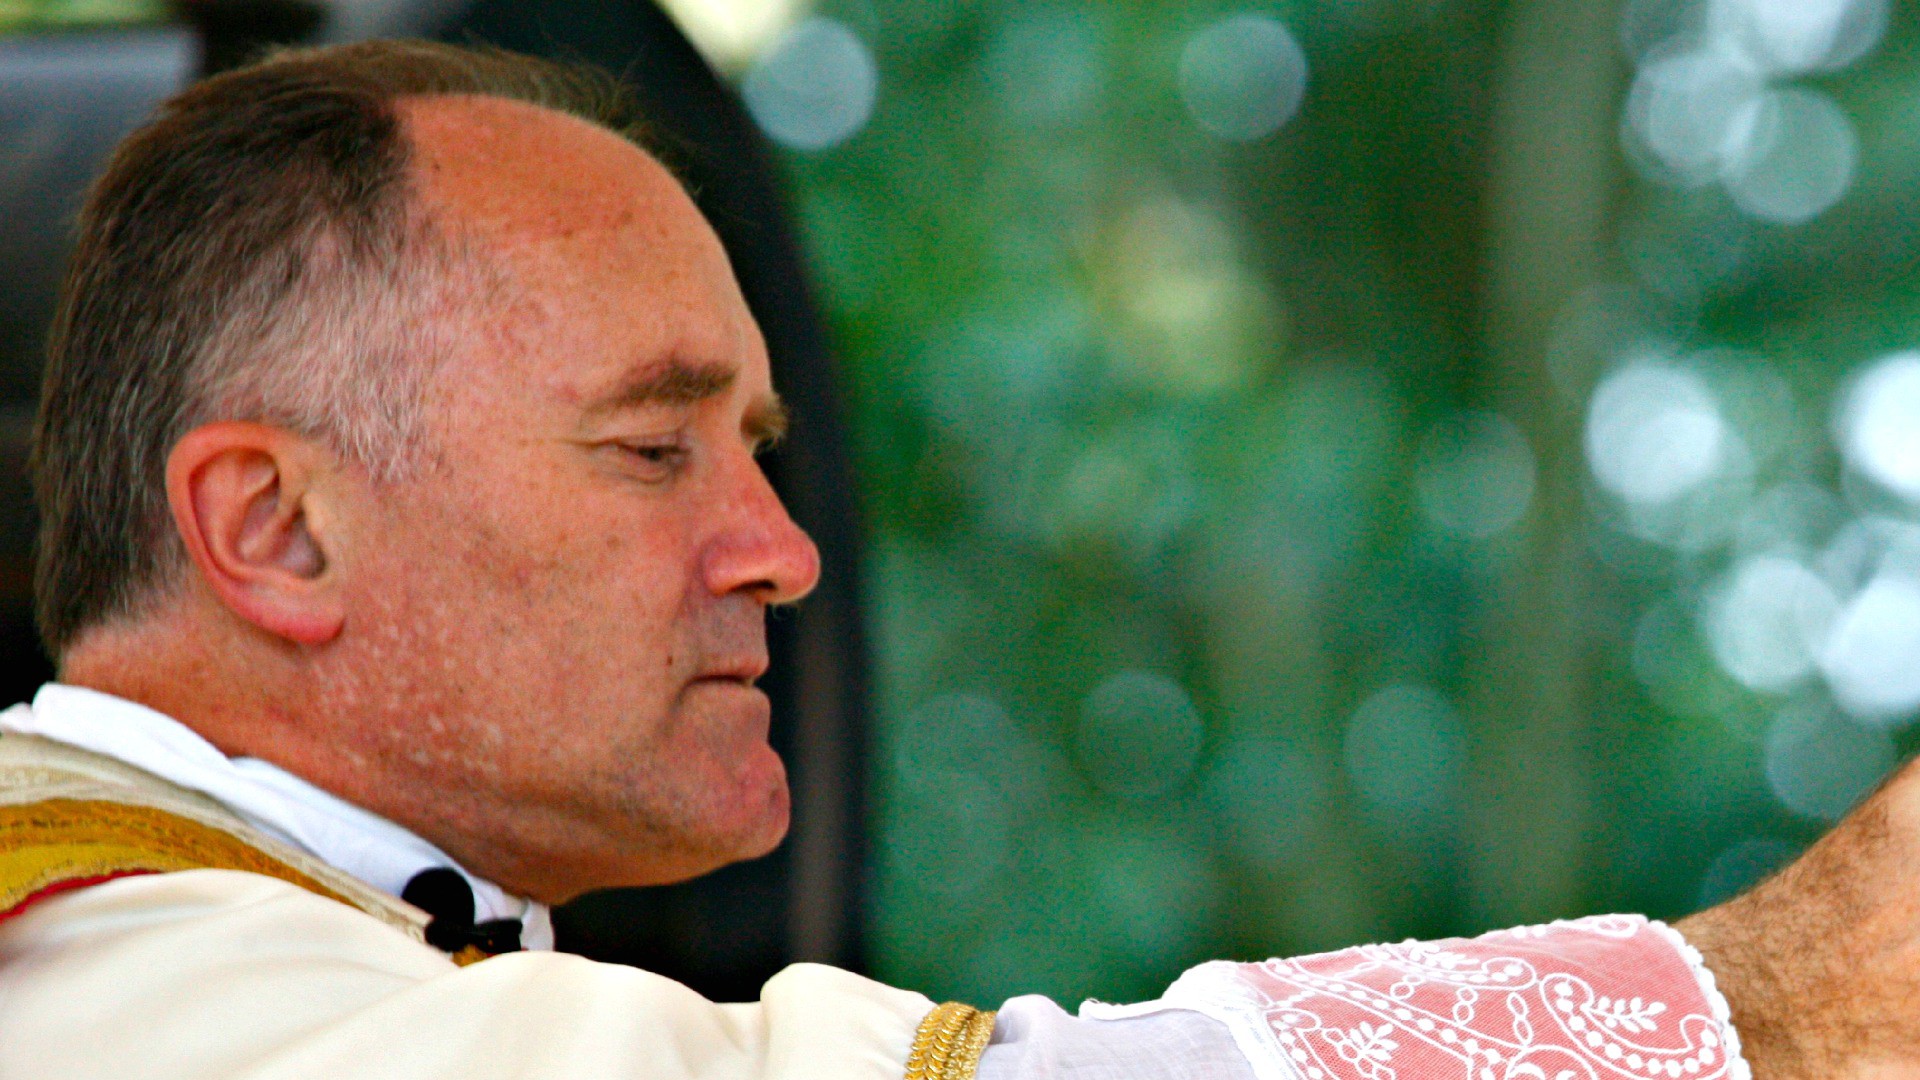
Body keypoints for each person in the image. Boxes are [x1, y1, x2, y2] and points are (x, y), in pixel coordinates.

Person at [0, 39, 1914, 1080]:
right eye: (650, 446)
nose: (781, 552)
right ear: (276, 527)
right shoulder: (90, 980)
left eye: (751, 449)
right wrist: (1810, 1000)